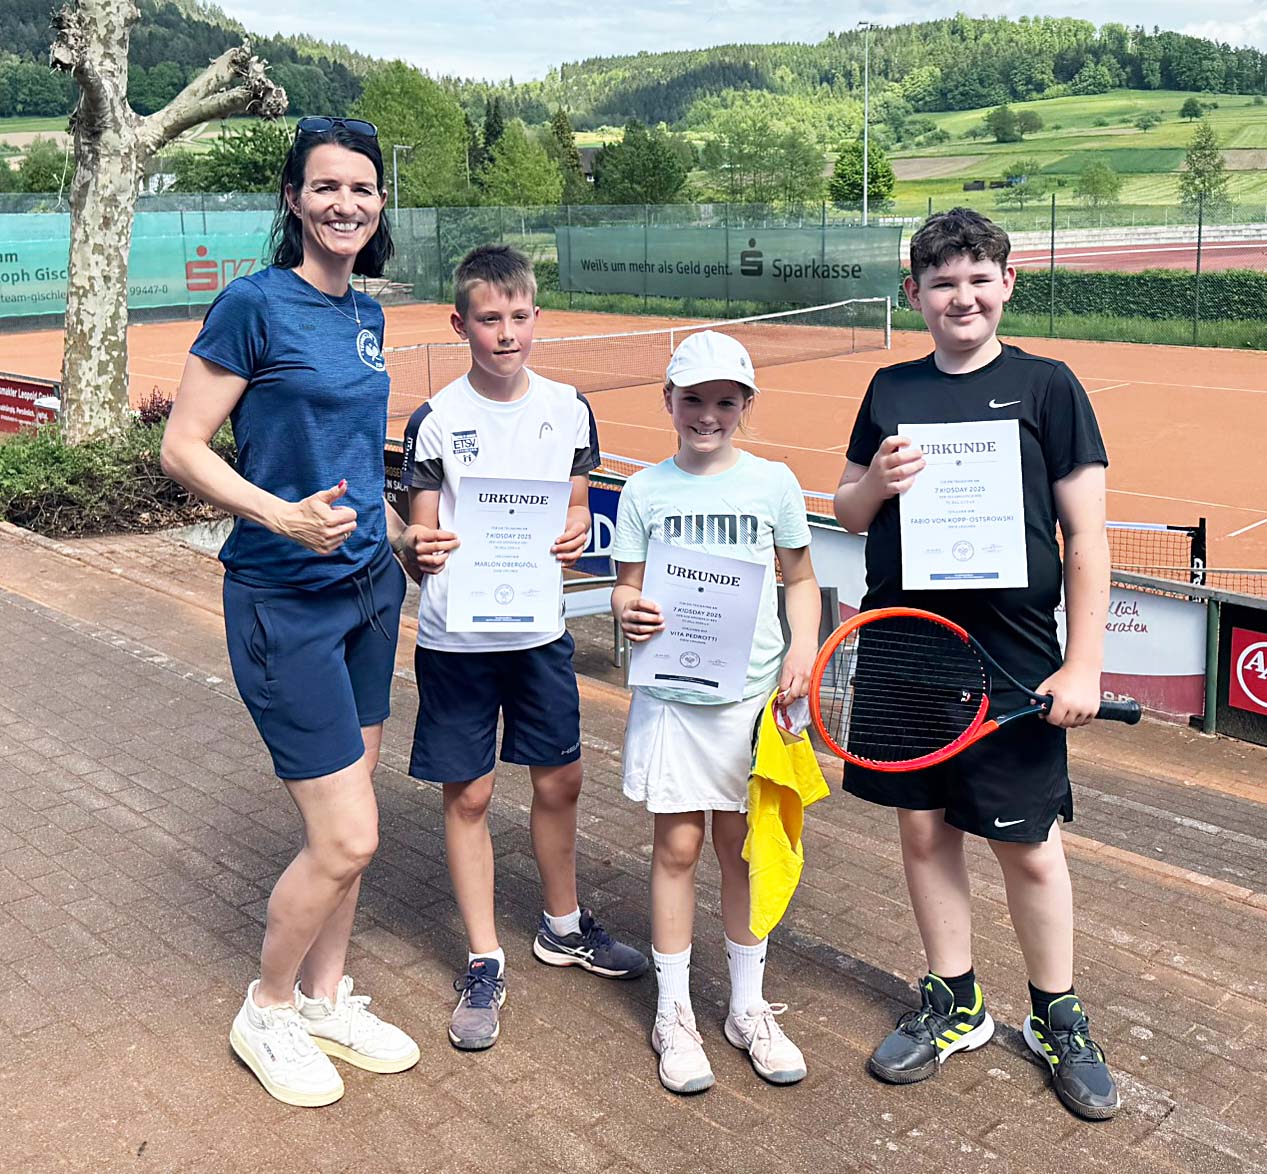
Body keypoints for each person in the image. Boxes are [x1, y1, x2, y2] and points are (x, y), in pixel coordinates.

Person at [832, 207, 1118, 1120]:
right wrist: (875, 483)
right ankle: (954, 1000)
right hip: (904, 645)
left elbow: (1086, 535)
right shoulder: (888, 387)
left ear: (1007, 284)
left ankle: (1055, 1015)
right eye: (942, 282)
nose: (962, 297)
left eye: (978, 279)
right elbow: (846, 510)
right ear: (913, 293)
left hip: (1013, 657)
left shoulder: (1047, 386)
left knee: (1026, 848)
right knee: (923, 833)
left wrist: (1082, 665)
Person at [161, 116, 422, 1108]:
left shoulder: (366, 315)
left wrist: (399, 538)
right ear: (293, 198)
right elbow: (182, 447)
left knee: (350, 827)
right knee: (347, 836)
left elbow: (346, 457)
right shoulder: (253, 305)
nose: (345, 203)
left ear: (379, 203)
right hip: (284, 602)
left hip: (369, 594)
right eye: (326, 187)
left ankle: (322, 998)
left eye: (361, 188)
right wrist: (280, 516)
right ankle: (266, 1009)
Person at [400, 243, 647, 1053]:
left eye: (517, 317)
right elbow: (421, 534)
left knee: (561, 780)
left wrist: (575, 528)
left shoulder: (569, 409)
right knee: (469, 797)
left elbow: (575, 505)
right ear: (460, 324)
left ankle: (562, 925)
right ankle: (483, 959)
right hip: (457, 640)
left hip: (538, 633)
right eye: (488, 319)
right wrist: (419, 547)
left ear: (536, 317)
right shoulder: (436, 420)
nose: (505, 333)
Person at [611, 330, 821, 1095]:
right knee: (676, 849)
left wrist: (803, 652)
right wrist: (626, 608)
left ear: (745, 405)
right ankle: (673, 1014)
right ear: (667, 401)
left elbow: (801, 579)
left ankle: (745, 1008)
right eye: (692, 399)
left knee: (742, 851)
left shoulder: (773, 484)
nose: (707, 415)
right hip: (672, 700)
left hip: (751, 702)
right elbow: (625, 587)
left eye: (724, 402)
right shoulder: (643, 491)